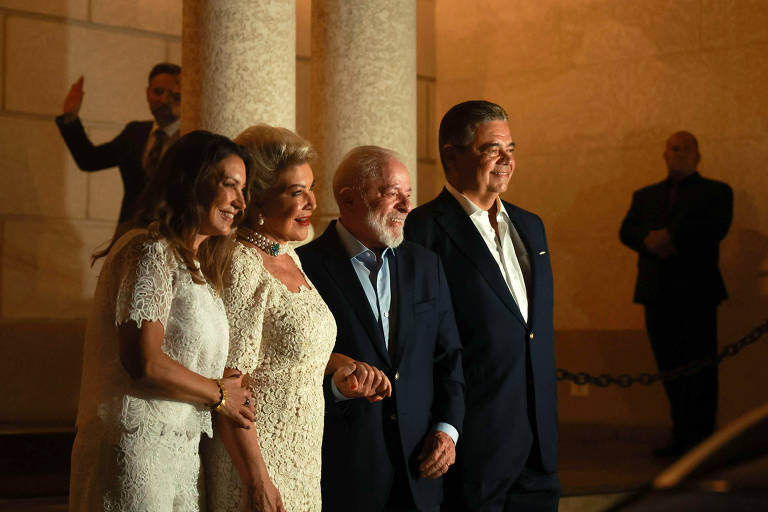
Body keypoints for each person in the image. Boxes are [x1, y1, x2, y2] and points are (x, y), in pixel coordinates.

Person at [202, 125, 388, 512]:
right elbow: (231, 389)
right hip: (258, 463)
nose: (311, 202)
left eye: (311, 188)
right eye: (295, 192)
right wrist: (258, 481)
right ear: (256, 202)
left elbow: (284, 356)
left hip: (303, 458)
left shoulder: (291, 257)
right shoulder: (243, 264)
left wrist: (340, 368)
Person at [69, 130, 255, 511]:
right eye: (229, 185)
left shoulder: (196, 266)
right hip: (135, 445)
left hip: (180, 448)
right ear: (192, 180)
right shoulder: (149, 249)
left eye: (244, 190)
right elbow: (145, 361)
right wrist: (220, 393)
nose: (240, 201)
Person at [404, 100, 559, 511]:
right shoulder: (421, 231)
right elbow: (419, 345)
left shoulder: (531, 226)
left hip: (539, 448)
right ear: (451, 155)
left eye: (511, 148)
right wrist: (444, 427)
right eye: (493, 149)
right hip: (473, 445)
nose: (507, 159)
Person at [297, 146, 465, 512]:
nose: (406, 206)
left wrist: (447, 430)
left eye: (409, 195)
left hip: (421, 473)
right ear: (348, 198)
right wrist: (339, 390)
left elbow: (449, 359)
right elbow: (292, 375)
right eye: (392, 194)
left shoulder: (427, 265)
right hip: (347, 477)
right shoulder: (304, 269)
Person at [620, 131, 733, 457]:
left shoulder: (716, 192)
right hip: (657, 294)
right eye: (674, 148)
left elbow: (715, 227)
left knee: (701, 370)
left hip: (697, 293)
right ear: (665, 154)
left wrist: (670, 238)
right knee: (670, 370)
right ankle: (681, 437)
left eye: (686, 149)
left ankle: (704, 442)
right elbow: (627, 231)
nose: (679, 153)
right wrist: (647, 240)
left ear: (698, 155)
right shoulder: (645, 196)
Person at [56, 63, 182, 224]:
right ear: (147, 93)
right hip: (129, 232)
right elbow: (89, 160)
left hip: (172, 235)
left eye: (174, 94)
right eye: (158, 92)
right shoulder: (135, 132)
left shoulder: (191, 137)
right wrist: (70, 118)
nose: (164, 100)